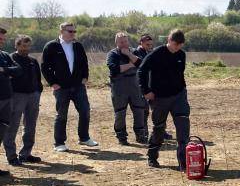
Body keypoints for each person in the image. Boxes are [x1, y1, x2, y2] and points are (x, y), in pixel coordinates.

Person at [41, 22, 98, 152]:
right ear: (61, 31)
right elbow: (45, 66)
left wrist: (85, 77)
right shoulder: (51, 46)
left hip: (78, 86)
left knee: (85, 111)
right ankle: (59, 143)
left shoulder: (78, 46)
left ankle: (84, 138)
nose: (73, 34)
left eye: (74, 31)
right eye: (70, 31)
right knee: (62, 115)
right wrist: (53, 83)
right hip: (61, 88)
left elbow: (84, 63)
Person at [138, 29, 189, 169]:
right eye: (175, 44)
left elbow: (180, 74)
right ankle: (152, 157)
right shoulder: (156, 54)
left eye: (180, 45)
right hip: (160, 98)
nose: (177, 47)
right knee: (159, 129)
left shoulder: (182, 55)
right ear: (169, 40)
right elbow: (141, 71)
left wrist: (183, 91)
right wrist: (146, 91)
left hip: (179, 96)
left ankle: (183, 162)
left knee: (183, 127)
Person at [3, 34, 42, 168]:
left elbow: (38, 77)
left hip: (33, 96)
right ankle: (11, 156)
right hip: (16, 96)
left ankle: (25, 154)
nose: (26, 49)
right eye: (23, 46)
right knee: (12, 126)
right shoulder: (10, 58)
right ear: (17, 45)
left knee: (30, 126)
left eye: (28, 46)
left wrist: (38, 91)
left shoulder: (33, 60)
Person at [107, 32, 148, 145]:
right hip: (119, 88)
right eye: (121, 42)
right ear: (116, 42)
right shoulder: (112, 54)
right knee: (120, 113)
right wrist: (131, 64)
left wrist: (129, 55)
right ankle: (121, 136)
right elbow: (114, 69)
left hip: (135, 86)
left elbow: (141, 64)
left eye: (125, 41)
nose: (124, 44)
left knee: (139, 111)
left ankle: (140, 135)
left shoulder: (134, 51)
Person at [134, 34, 172, 141]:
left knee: (159, 110)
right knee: (144, 111)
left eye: (151, 44)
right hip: (141, 86)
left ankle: (161, 131)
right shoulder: (136, 53)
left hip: (153, 85)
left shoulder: (152, 52)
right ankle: (144, 134)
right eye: (147, 44)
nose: (150, 46)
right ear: (141, 43)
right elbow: (141, 66)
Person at [0, 26, 23, 176]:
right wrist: (9, 71)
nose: (2, 41)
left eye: (3, 39)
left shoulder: (4, 55)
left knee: (0, 132)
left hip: (6, 99)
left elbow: (18, 70)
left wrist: (4, 70)